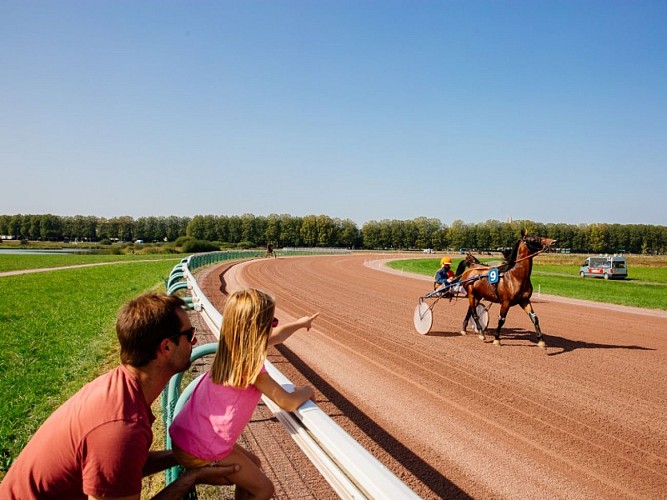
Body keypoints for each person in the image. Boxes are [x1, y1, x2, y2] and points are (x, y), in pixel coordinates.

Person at [0, 293, 238, 499]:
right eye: (190, 334)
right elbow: (117, 452)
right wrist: (190, 479)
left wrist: (184, 456)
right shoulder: (121, 427)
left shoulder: (120, 388)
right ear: (166, 347)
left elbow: (122, 467)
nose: (194, 341)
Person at [169, 288, 318, 500]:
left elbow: (279, 335)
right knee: (264, 489)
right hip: (200, 447)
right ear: (259, 329)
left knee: (254, 463)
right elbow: (287, 402)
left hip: (185, 435)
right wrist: (307, 390)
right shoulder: (249, 365)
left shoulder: (231, 350)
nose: (274, 326)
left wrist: (301, 323)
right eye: (272, 322)